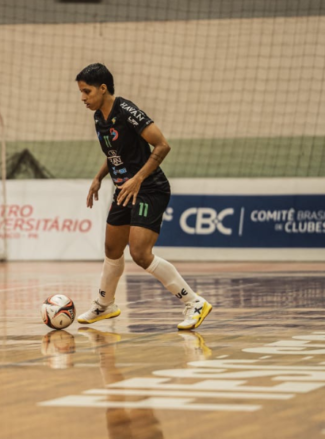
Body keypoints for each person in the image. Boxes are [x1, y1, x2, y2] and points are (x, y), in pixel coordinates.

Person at [75, 63, 212, 330]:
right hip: (125, 189)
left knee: (139, 253)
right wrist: (98, 177)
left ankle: (194, 303)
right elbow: (114, 153)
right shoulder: (98, 117)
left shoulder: (127, 111)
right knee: (112, 249)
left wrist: (138, 178)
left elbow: (162, 145)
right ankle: (105, 305)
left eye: (86, 91)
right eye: (81, 92)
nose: (83, 98)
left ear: (103, 89)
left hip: (149, 188)